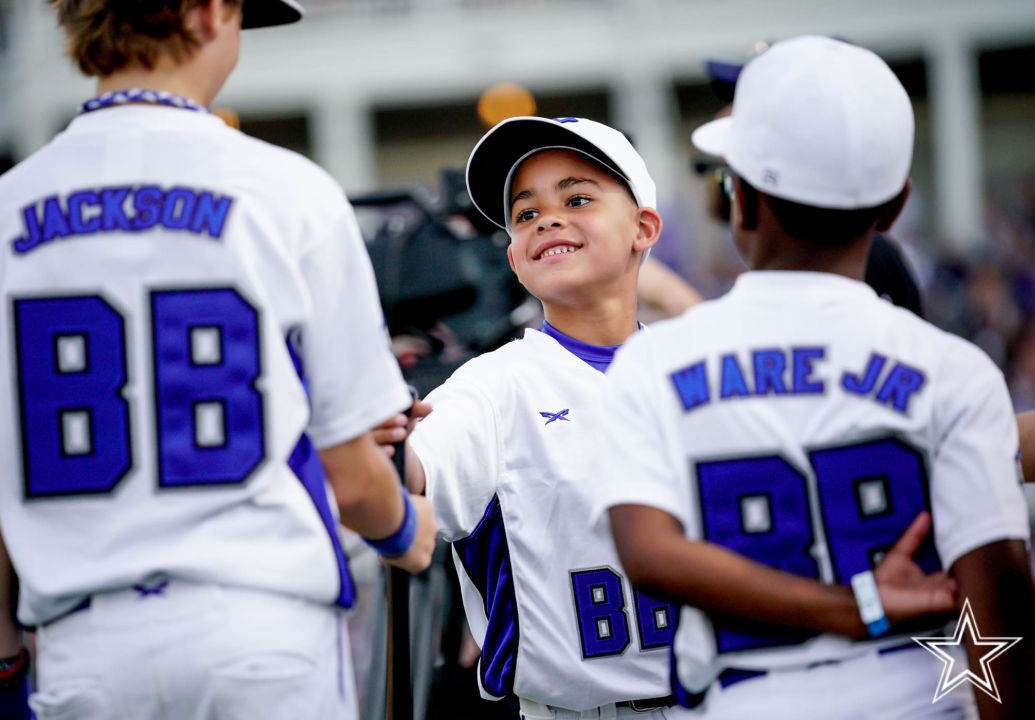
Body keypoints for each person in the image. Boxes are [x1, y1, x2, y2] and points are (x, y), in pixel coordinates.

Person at [375, 115, 957, 719]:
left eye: (578, 198)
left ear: (644, 228)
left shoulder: (704, 372)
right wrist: (387, 443)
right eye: (524, 215)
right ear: (515, 261)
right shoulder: (493, 384)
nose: (547, 219)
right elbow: (419, 469)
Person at [0, 2, 436, 718]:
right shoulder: (289, 188)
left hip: (86, 644)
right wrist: (408, 528)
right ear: (212, 11)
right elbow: (353, 482)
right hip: (260, 627)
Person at [595, 36, 1035, 719]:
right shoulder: (955, 371)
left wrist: (850, 606)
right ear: (895, 208)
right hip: (922, 701)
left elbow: (649, 553)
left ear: (739, 198)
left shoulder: (655, 361)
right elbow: (1001, 604)